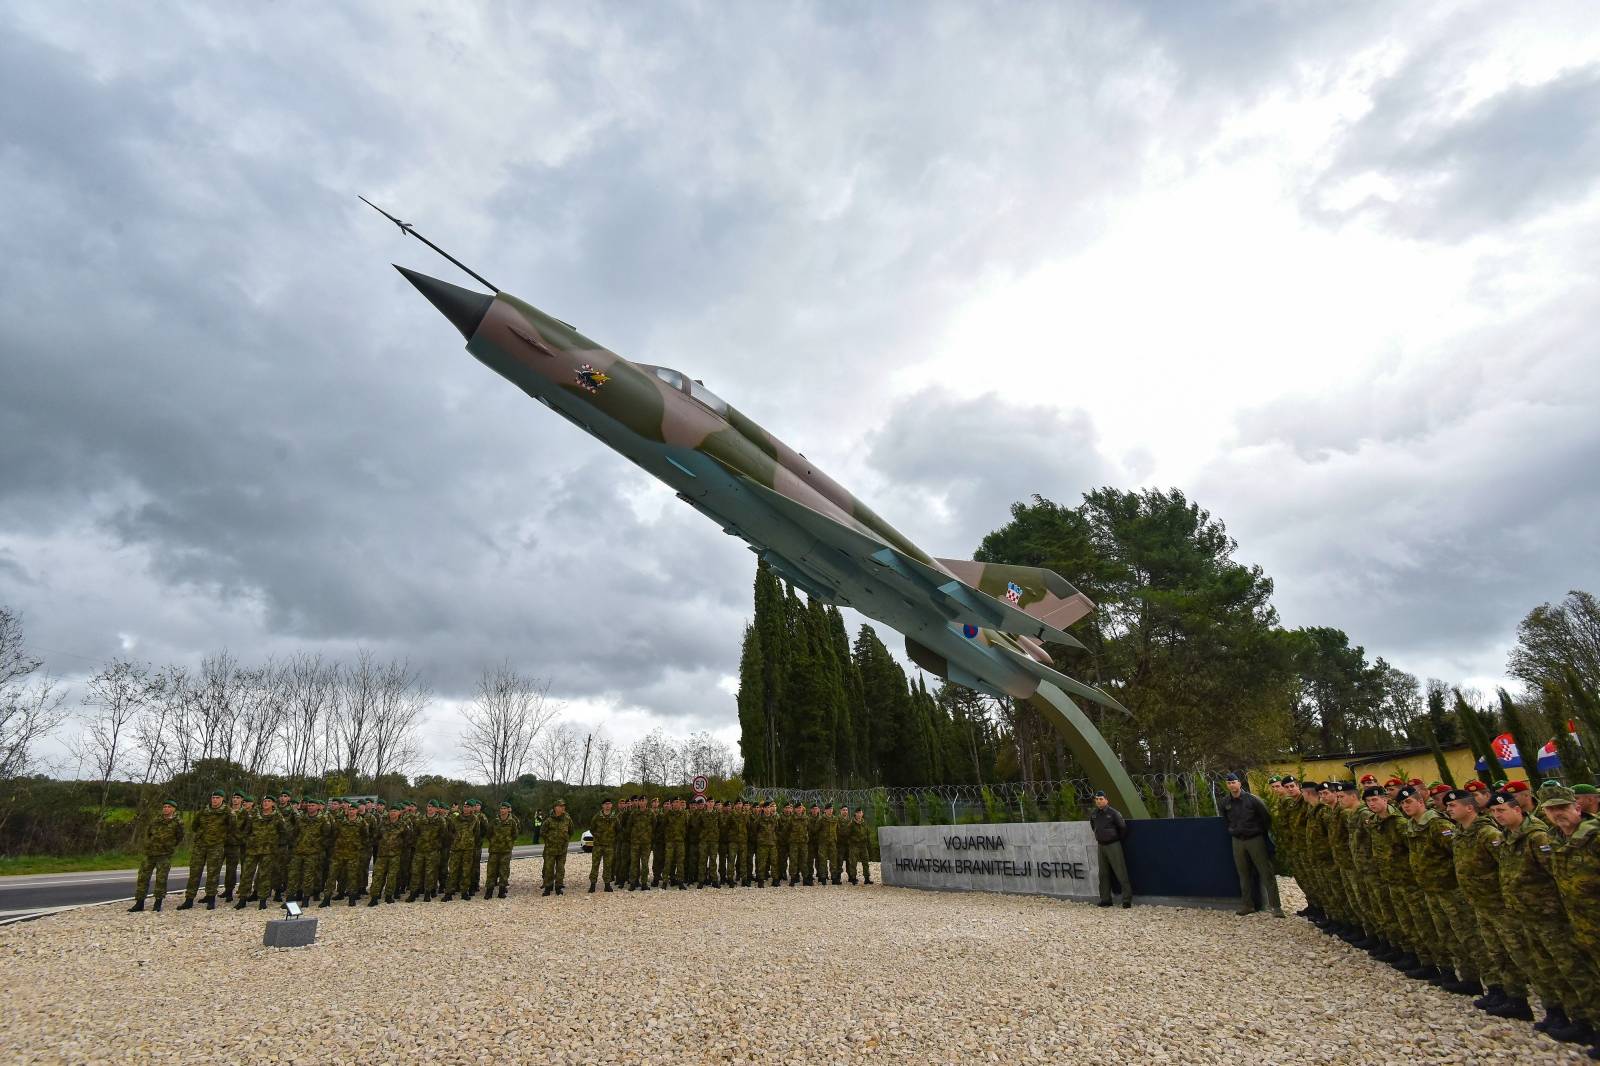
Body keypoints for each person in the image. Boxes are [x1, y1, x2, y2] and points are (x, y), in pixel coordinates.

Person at [1218, 772, 1282, 917]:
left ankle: (1276, 907)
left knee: (1266, 873)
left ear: (1239, 783)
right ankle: (1247, 905)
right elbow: (1226, 819)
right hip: (1237, 840)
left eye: (1233, 782)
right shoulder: (1225, 802)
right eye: (1228, 783)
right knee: (1243, 874)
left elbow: (1266, 817)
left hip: (1255, 839)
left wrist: (1258, 832)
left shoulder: (1253, 800)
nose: (1231, 785)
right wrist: (1232, 830)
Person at [178, 789, 231, 911]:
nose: (215, 800)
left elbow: (232, 827)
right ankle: (189, 899)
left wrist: (220, 836)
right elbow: (195, 825)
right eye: (213, 798)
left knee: (213, 873)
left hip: (216, 846)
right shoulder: (204, 811)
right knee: (194, 872)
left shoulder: (227, 812)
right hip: (200, 845)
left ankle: (211, 898)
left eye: (218, 798)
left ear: (222, 799)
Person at [129, 799, 185, 913]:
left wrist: (169, 846)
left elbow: (179, 837)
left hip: (164, 854)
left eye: (169, 807)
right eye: (165, 806)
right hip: (150, 853)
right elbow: (149, 833)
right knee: (143, 877)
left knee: (161, 879)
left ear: (174, 809)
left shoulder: (178, 822)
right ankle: (139, 903)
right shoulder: (156, 820)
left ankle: (158, 903)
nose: (166, 809)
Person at [236, 795, 285, 910]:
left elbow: (283, 831)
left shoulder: (277, 816)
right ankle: (243, 899)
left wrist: (276, 844)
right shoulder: (253, 814)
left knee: (265, 875)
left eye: (268, 801)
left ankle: (262, 900)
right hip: (252, 849)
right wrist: (247, 841)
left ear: (273, 803)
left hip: (268, 850)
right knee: (247, 874)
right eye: (264, 801)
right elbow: (246, 830)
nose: (266, 803)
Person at [1088, 790, 1132, 908]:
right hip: (1101, 846)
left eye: (1101, 799)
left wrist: (1115, 839)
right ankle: (1105, 899)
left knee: (1120, 872)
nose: (1099, 801)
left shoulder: (1113, 813)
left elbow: (1122, 827)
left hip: (1113, 845)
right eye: (1097, 799)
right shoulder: (1094, 814)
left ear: (1106, 800)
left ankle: (1126, 899)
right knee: (1103, 873)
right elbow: (1094, 827)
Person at [368, 804, 409, 906]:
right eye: (391, 811)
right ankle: (374, 896)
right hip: (382, 854)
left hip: (395, 855)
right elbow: (376, 836)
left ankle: (389, 896)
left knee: (392, 876)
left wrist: (399, 846)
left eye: (395, 811)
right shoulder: (383, 824)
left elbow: (408, 838)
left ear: (399, 813)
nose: (393, 813)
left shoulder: (403, 825)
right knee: (378, 875)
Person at [483, 800, 518, 899]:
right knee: (491, 871)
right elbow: (489, 834)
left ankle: (502, 891)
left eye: (504, 808)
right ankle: (489, 891)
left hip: (506, 851)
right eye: (501, 808)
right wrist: (494, 841)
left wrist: (508, 842)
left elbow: (515, 835)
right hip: (494, 850)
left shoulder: (512, 822)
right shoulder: (494, 821)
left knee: (504, 871)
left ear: (508, 810)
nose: (502, 810)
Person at [541, 798, 573, 896]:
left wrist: (565, 840)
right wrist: (549, 840)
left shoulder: (567, 819)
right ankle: (548, 887)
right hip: (550, 849)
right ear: (555, 808)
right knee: (549, 869)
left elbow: (571, 831)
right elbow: (542, 832)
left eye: (564, 806)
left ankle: (559, 887)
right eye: (560, 806)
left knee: (560, 869)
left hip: (562, 849)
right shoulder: (549, 820)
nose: (563, 808)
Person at [589, 797, 616, 893]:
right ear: (602, 806)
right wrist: (597, 836)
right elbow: (592, 828)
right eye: (606, 804)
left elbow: (618, 829)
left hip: (609, 846)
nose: (607, 806)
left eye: (609, 804)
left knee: (608, 865)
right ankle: (592, 884)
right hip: (598, 846)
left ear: (611, 805)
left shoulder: (614, 817)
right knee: (595, 865)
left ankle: (607, 885)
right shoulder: (597, 816)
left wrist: (612, 838)